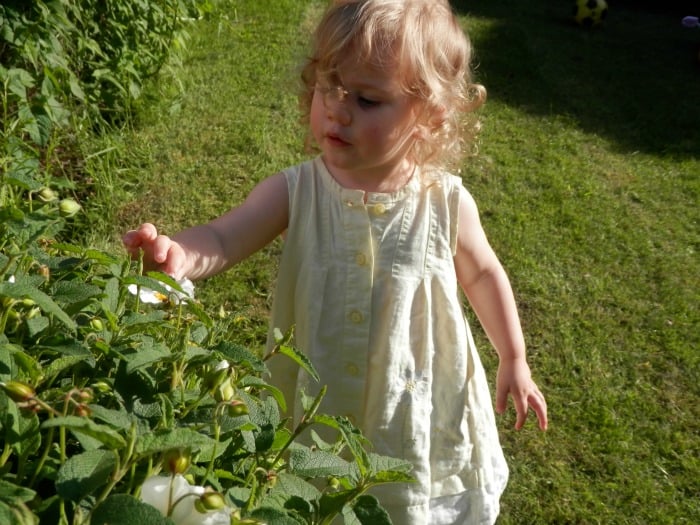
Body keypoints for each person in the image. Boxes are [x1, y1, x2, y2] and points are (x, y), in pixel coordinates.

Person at [123, 0, 548, 523]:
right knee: (309, 494)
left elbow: (482, 273)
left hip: (412, 406)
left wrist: (514, 357)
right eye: (328, 86)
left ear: (430, 114)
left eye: (368, 99)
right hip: (317, 398)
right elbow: (225, 236)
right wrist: (182, 254)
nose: (337, 110)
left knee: (404, 497)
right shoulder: (296, 190)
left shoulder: (446, 203)